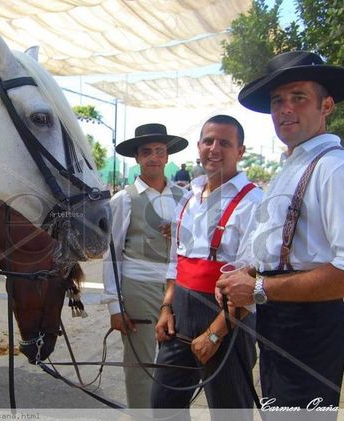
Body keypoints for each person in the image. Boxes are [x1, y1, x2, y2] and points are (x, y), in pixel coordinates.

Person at [217, 51, 344, 414]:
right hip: (278, 319)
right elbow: (273, 248)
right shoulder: (293, 166)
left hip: (309, 325)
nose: (285, 108)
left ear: (327, 105)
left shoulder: (336, 169)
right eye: (277, 100)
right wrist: (245, 276)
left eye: (298, 97)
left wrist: (258, 287)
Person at [151, 115, 262, 420]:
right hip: (180, 318)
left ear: (240, 151)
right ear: (198, 146)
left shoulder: (254, 202)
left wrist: (215, 334)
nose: (214, 148)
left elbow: (253, 279)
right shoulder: (188, 198)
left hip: (226, 322)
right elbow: (176, 262)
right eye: (208, 141)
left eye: (225, 143)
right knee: (163, 405)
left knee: (230, 411)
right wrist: (166, 307)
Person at [102, 123, 188, 408]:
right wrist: (115, 306)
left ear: (167, 157)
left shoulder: (184, 198)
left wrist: (179, 233)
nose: (153, 157)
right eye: (146, 152)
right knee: (140, 363)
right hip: (137, 286)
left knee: (176, 360)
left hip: (177, 287)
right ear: (137, 158)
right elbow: (111, 254)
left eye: (159, 151)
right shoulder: (124, 199)